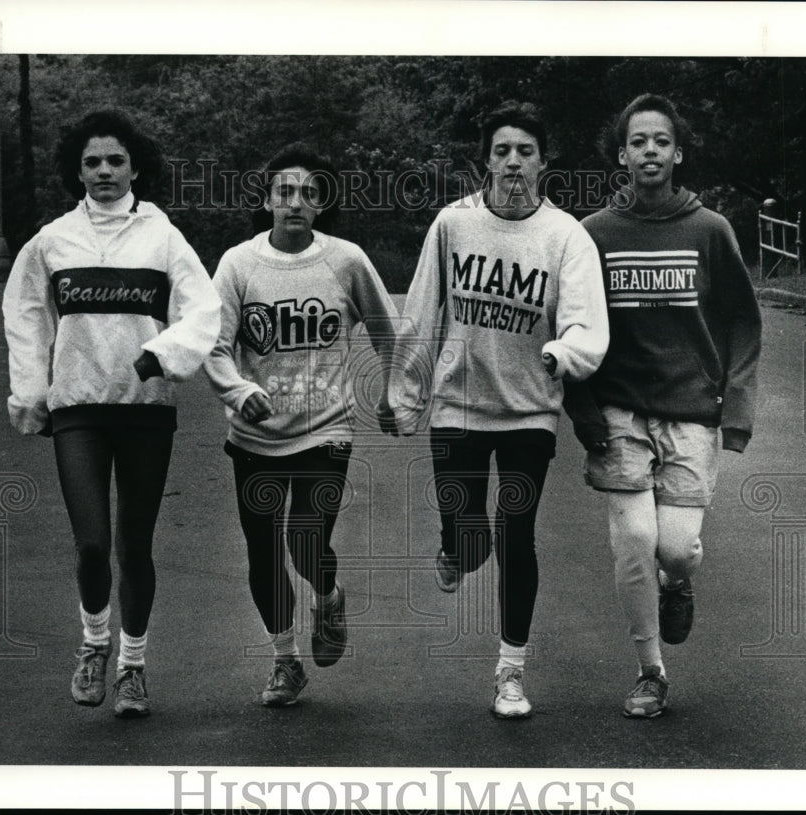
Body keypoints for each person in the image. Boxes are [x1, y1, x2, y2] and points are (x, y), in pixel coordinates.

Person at [389, 101, 609, 718]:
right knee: (469, 531)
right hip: (457, 403)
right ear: (485, 160)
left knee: (517, 536)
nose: (514, 162)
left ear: (544, 162)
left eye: (526, 152)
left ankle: (510, 671)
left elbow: (586, 320)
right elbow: (421, 313)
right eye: (503, 150)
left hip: (529, 409)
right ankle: (456, 547)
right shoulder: (453, 226)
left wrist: (563, 353)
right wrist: (404, 397)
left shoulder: (566, 235)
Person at [2, 109, 221, 718]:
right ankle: (93, 644)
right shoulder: (52, 241)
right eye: (93, 162)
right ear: (77, 171)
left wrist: (164, 354)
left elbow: (202, 309)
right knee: (92, 544)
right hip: (77, 409)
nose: (104, 171)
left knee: (135, 545)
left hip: (145, 409)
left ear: (135, 167)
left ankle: (132, 665)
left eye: (115, 160)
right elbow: (25, 316)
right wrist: (31, 391)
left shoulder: (163, 236)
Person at [563, 93, 762, 718]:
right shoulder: (593, 234)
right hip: (621, 411)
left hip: (692, 411)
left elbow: (743, 321)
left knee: (674, 547)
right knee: (634, 539)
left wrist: (737, 409)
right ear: (622, 154)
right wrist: (585, 410)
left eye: (661, 141)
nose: (650, 151)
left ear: (677, 152)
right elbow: (570, 324)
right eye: (638, 141)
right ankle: (651, 670)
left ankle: (679, 582)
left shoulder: (710, 230)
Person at [204, 143, 398, 707]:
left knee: (306, 539)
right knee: (263, 551)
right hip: (255, 437)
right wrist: (240, 392)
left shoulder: (345, 260)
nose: (295, 202)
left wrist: (394, 392)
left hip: (326, 429)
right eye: (284, 192)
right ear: (266, 200)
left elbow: (388, 332)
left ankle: (329, 595)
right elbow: (214, 347)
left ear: (321, 205)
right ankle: (285, 660)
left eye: (308, 194)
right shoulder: (238, 265)